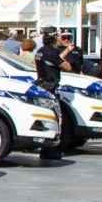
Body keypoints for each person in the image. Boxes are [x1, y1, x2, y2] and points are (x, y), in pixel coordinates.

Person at [34, 30, 66, 160]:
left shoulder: (40, 51)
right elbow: (67, 66)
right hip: (50, 87)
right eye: (58, 36)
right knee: (54, 118)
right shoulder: (52, 52)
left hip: (42, 85)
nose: (60, 39)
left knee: (45, 117)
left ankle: (44, 148)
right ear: (53, 39)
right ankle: (50, 150)